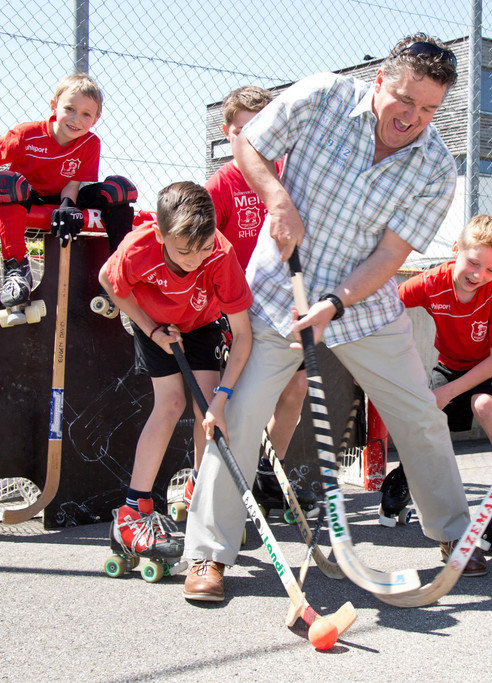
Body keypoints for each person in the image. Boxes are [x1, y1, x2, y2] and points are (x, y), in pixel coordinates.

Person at [181, 33, 486, 602]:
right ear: (380, 81)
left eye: (428, 109)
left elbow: (391, 257)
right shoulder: (322, 96)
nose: (413, 118)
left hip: (364, 308)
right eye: (404, 99)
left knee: (421, 415)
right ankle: (207, 553)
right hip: (278, 296)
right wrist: (278, 199)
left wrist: (335, 304)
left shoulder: (436, 167)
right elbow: (248, 144)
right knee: (240, 417)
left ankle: (454, 536)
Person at [98, 181, 252, 575]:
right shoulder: (138, 247)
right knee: (170, 404)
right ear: (160, 234)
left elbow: (243, 334)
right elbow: (108, 281)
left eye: (204, 249)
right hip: (155, 324)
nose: (196, 260)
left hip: (202, 324)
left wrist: (222, 399)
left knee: (207, 406)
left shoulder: (221, 254)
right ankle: (132, 514)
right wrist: (151, 330)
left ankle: (201, 492)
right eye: (185, 251)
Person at [204, 85, 314, 519]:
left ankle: (269, 473)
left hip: (282, 307)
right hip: (236, 311)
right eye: (244, 131)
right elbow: (202, 250)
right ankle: (221, 486)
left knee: (296, 387)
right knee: (239, 400)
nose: (255, 140)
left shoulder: (288, 176)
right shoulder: (221, 184)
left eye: (263, 129)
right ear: (228, 133)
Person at [0, 73, 137, 323]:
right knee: (5, 182)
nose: (76, 119)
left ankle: (116, 272)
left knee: (120, 190)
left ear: (95, 119)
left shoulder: (90, 143)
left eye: (86, 114)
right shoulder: (27, 133)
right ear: (54, 106)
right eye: (69, 109)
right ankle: (17, 271)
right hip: (29, 198)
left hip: (64, 197)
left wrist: (68, 206)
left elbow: (73, 183)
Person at [391, 214, 492, 542]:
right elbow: (388, 304)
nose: (479, 275)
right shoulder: (431, 282)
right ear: (456, 249)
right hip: (452, 362)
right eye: (473, 263)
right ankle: (407, 476)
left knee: (484, 404)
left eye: (491, 269)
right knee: (427, 415)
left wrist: (449, 392)